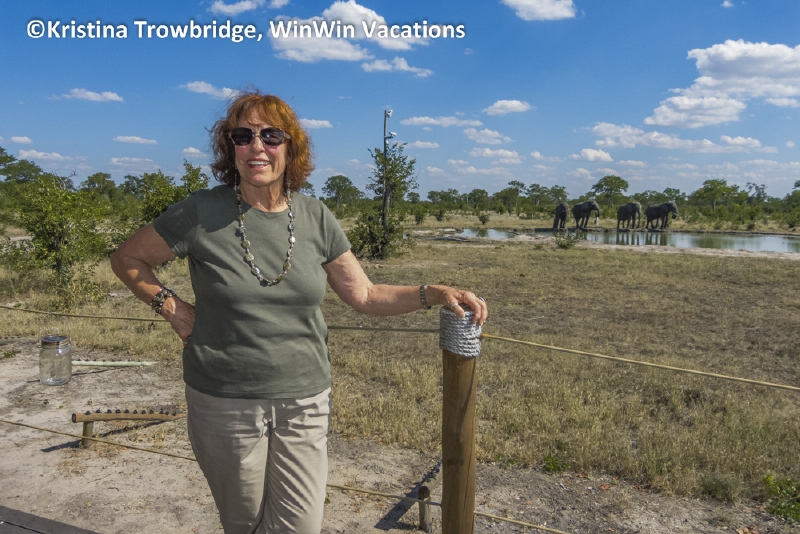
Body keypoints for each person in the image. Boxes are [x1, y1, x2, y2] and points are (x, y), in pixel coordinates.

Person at [110, 91, 488, 534]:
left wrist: (434, 293)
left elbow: (366, 294)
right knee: (244, 524)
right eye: (243, 136)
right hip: (224, 399)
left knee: (300, 525)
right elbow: (128, 258)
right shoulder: (201, 211)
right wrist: (173, 309)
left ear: (291, 148)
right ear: (230, 148)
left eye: (271, 136)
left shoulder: (315, 216)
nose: (257, 146)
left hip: (304, 400)